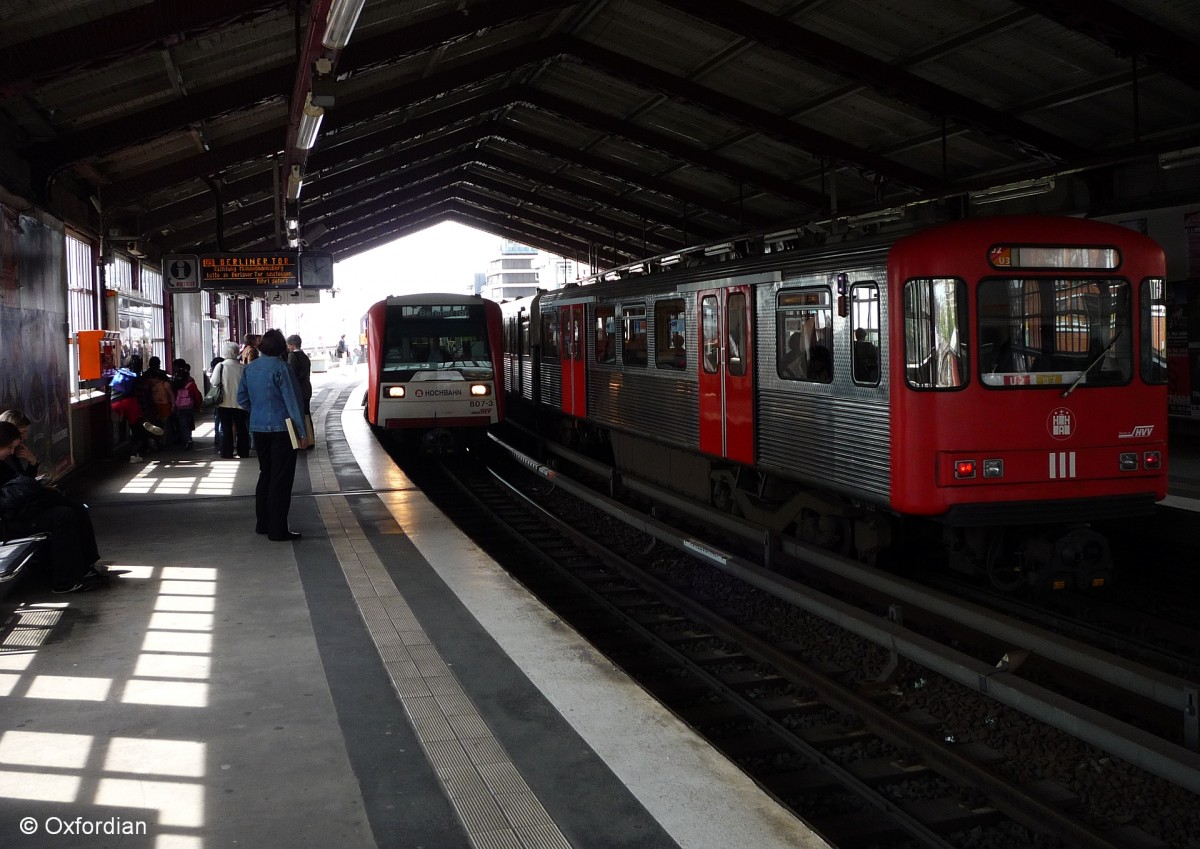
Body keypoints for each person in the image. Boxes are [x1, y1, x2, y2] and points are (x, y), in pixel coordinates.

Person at [0, 422, 106, 593]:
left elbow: (18, 483)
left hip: (17, 512)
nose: (12, 452)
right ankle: (65, 581)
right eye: (9, 448)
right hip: (7, 522)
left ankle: (85, 566)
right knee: (63, 516)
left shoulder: (3, 461)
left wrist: (33, 467)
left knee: (75, 507)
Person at [237, 329, 308, 542]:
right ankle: (278, 530)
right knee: (281, 479)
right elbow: (293, 402)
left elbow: (242, 398)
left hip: (258, 429)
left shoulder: (250, 369)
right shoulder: (282, 369)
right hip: (282, 430)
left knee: (265, 473)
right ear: (280, 348)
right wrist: (302, 433)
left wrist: (257, 411)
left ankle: (263, 524)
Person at [110, 355, 165, 463]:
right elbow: (140, 396)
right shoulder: (136, 377)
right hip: (129, 402)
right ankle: (134, 454)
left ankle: (116, 452)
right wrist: (144, 412)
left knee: (120, 427)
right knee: (136, 429)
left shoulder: (119, 373)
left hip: (115, 403)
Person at [212, 342, 249, 459]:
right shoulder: (243, 367)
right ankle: (243, 451)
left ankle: (226, 452)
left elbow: (214, 382)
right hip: (240, 403)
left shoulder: (220, 366)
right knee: (242, 427)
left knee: (226, 427)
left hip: (224, 402)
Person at [170, 360, 202, 450]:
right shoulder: (191, 384)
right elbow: (197, 396)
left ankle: (187, 440)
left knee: (182, 424)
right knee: (188, 423)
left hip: (180, 407)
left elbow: (174, 396)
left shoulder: (176, 385)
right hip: (190, 407)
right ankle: (189, 438)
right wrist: (198, 407)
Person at [0, 409, 39, 479]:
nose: (25, 437)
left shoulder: (13, 453)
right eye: (21, 433)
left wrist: (33, 462)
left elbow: (22, 482)